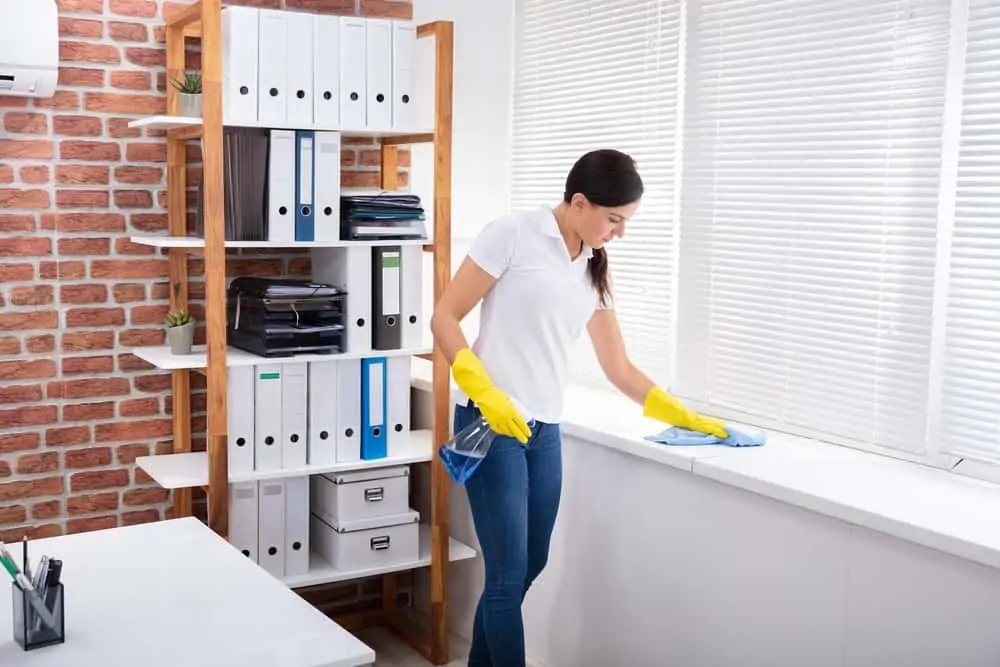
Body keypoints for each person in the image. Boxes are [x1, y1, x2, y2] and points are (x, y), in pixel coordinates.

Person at [430, 149, 726, 666]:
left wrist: (685, 416)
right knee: (505, 574)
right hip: (489, 423)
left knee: (531, 563)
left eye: (625, 222)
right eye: (614, 219)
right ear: (580, 202)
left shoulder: (591, 268)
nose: (619, 233)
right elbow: (445, 317)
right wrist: (485, 392)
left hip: (544, 428)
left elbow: (619, 368)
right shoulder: (514, 233)